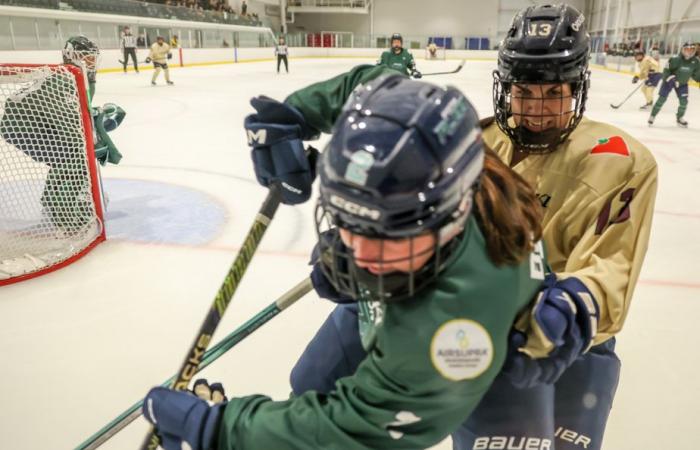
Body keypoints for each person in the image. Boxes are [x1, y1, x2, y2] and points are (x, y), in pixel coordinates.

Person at [221, 4, 656, 450]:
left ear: (578, 88)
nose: (536, 111)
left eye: (553, 94)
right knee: (315, 386)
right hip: (423, 298)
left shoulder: (618, 160)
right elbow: (378, 94)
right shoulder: (471, 138)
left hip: (547, 339)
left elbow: (612, 265)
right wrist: (298, 116)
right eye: (524, 93)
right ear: (505, 88)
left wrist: (574, 306)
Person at [142, 74, 556, 450]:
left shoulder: (454, 322)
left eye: (386, 233)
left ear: (451, 215)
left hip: (467, 365)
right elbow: (370, 90)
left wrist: (220, 430)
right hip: (398, 295)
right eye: (347, 221)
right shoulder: (435, 155)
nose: (357, 252)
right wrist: (298, 114)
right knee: (311, 382)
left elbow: (357, 427)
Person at [0, 35, 125, 232]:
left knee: (70, 155)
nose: (91, 62)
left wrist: (94, 115)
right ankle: (67, 217)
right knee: (76, 155)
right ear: (71, 55)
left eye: (93, 57)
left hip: (36, 124)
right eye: (86, 57)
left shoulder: (73, 74)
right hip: (23, 128)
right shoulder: (65, 79)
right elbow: (69, 125)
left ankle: (54, 200)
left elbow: (72, 111)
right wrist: (96, 145)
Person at [648, 42, 700, 127]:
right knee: (662, 99)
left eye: (691, 50)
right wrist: (671, 79)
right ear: (683, 49)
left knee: (684, 102)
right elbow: (666, 71)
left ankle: (679, 118)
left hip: (682, 83)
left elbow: (697, 74)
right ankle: (652, 116)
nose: (689, 51)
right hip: (669, 82)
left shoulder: (696, 61)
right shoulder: (675, 59)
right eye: (687, 49)